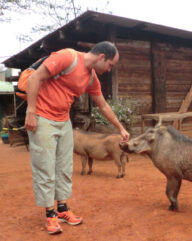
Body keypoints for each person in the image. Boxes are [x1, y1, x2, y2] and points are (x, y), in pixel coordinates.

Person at [25, 41, 130, 235]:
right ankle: (50, 214)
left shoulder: (91, 78)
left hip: (64, 121)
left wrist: (120, 128)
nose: (109, 70)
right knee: (45, 167)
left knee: (64, 167)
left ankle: (62, 209)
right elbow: (35, 78)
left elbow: (104, 106)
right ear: (102, 57)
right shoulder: (68, 57)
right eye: (110, 65)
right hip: (43, 118)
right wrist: (31, 112)